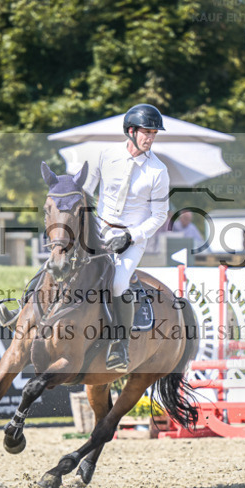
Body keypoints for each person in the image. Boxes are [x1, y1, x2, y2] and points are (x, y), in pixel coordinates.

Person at [83, 103, 170, 371]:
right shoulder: (106, 154)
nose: (151, 138)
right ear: (130, 131)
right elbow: (86, 190)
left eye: (154, 133)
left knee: (119, 283)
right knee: (62, 260)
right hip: (99, 229)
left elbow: (159, 215)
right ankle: (22, 310)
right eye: (147, 132)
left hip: (132, 239)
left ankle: (119, 345)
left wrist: (131, 236)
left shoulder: (158, 171)